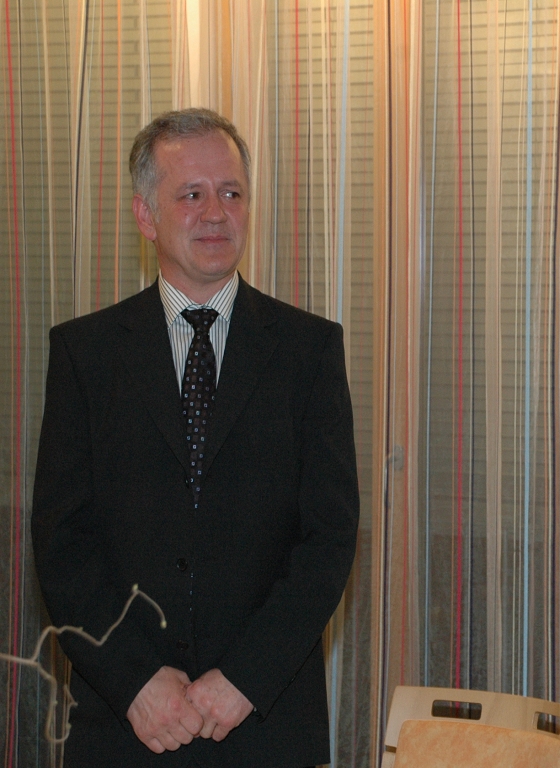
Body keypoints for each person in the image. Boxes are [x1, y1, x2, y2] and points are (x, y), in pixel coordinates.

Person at [32, 108, 359, 767]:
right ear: (146, 215)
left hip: (264, 724)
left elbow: (327, 540)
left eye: (231, 193)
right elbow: (63, 544)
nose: (216, 213)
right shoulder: (85, 354)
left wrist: (243, 680)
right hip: (126, 724)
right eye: (192, 194)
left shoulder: (309, 351)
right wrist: (134, 681)